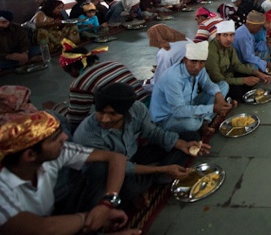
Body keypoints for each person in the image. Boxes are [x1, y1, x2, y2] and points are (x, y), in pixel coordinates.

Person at [0, 111, 139, 235]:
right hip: (33, 228)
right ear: (30, 155)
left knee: (101, 169)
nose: (65, 137)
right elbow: (42, 229)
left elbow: (116, 158)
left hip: (48, 216)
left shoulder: (58, 151)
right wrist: (90, 217)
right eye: (55, 138)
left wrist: (107, 203)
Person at [73, 83, 208, 207]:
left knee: (190, 137)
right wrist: (162, 169)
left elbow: (152, 133)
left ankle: (152, 177)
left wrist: (180, 144)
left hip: (134, 155)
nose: (105, 119)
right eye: (100, 112)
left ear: (125, 111)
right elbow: (122, 167)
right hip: (111, 170)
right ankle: (158, 174)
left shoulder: (137, 109)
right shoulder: (87, 135)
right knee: (130, 189)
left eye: (112, 114)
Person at [56, 40, 148, 131]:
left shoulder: (80, 83)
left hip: (130, 121)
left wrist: (57, 108)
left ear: (73, 69)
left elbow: (74, 120)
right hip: (147, 109)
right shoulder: (114, 64)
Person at [150, 41, 233, 135]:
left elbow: (207, 84)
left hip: (190, 104)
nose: (197, 67)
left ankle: (205, 121)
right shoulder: (173, 78)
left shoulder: (199, 69)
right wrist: (212, 108)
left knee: (223, 86)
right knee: (192, 124)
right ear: (185, 60)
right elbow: (179, 111)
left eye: (202, 62)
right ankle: (202, 122)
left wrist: (219, 96)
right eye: (193, 61)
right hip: (167, 118)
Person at [206, 21, 271, 100]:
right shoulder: (211, 51)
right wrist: (243, 80)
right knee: (238, 91)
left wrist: (256, 73)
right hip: (219, 83)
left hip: (230, 75)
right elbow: (218, 79)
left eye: (231, 35)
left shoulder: (229, 46)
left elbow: (237, 65)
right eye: (225, 35)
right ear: (217, 36)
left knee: (254, 76)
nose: (229, 39)